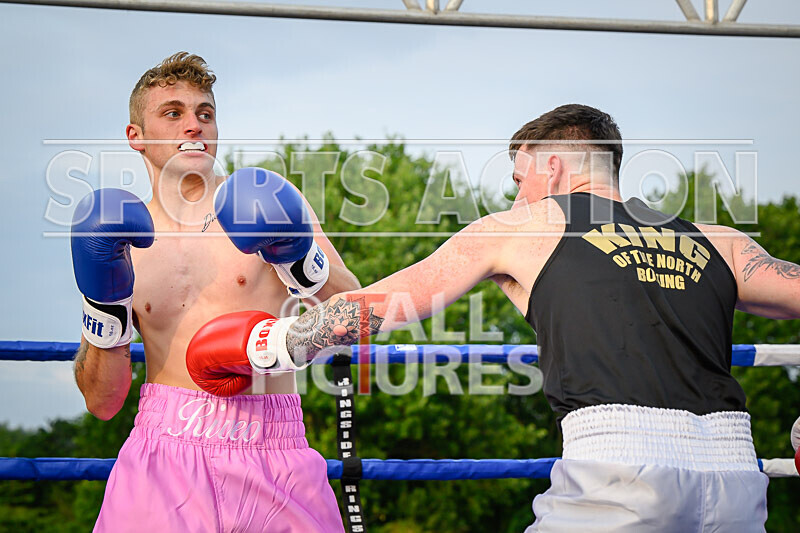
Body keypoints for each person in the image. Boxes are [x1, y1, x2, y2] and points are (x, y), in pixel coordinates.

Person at [187, 104, 800, 531]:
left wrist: (269, 345)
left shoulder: (523, 226)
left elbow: (382, 309)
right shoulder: (717, 239)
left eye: (517, 177)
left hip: (621, 473)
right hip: (737, 477)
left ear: (551, 166)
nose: (514, 196)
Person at [71, 52, 359, 532]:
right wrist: (102, 306)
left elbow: (357, 319)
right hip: (161, 456)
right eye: (174, 113)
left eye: (205, 113)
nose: (194, 126)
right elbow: (103, 402)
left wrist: (299, 261)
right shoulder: (117, 236)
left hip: (273, 446)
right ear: (135, 137)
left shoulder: (268, 201)